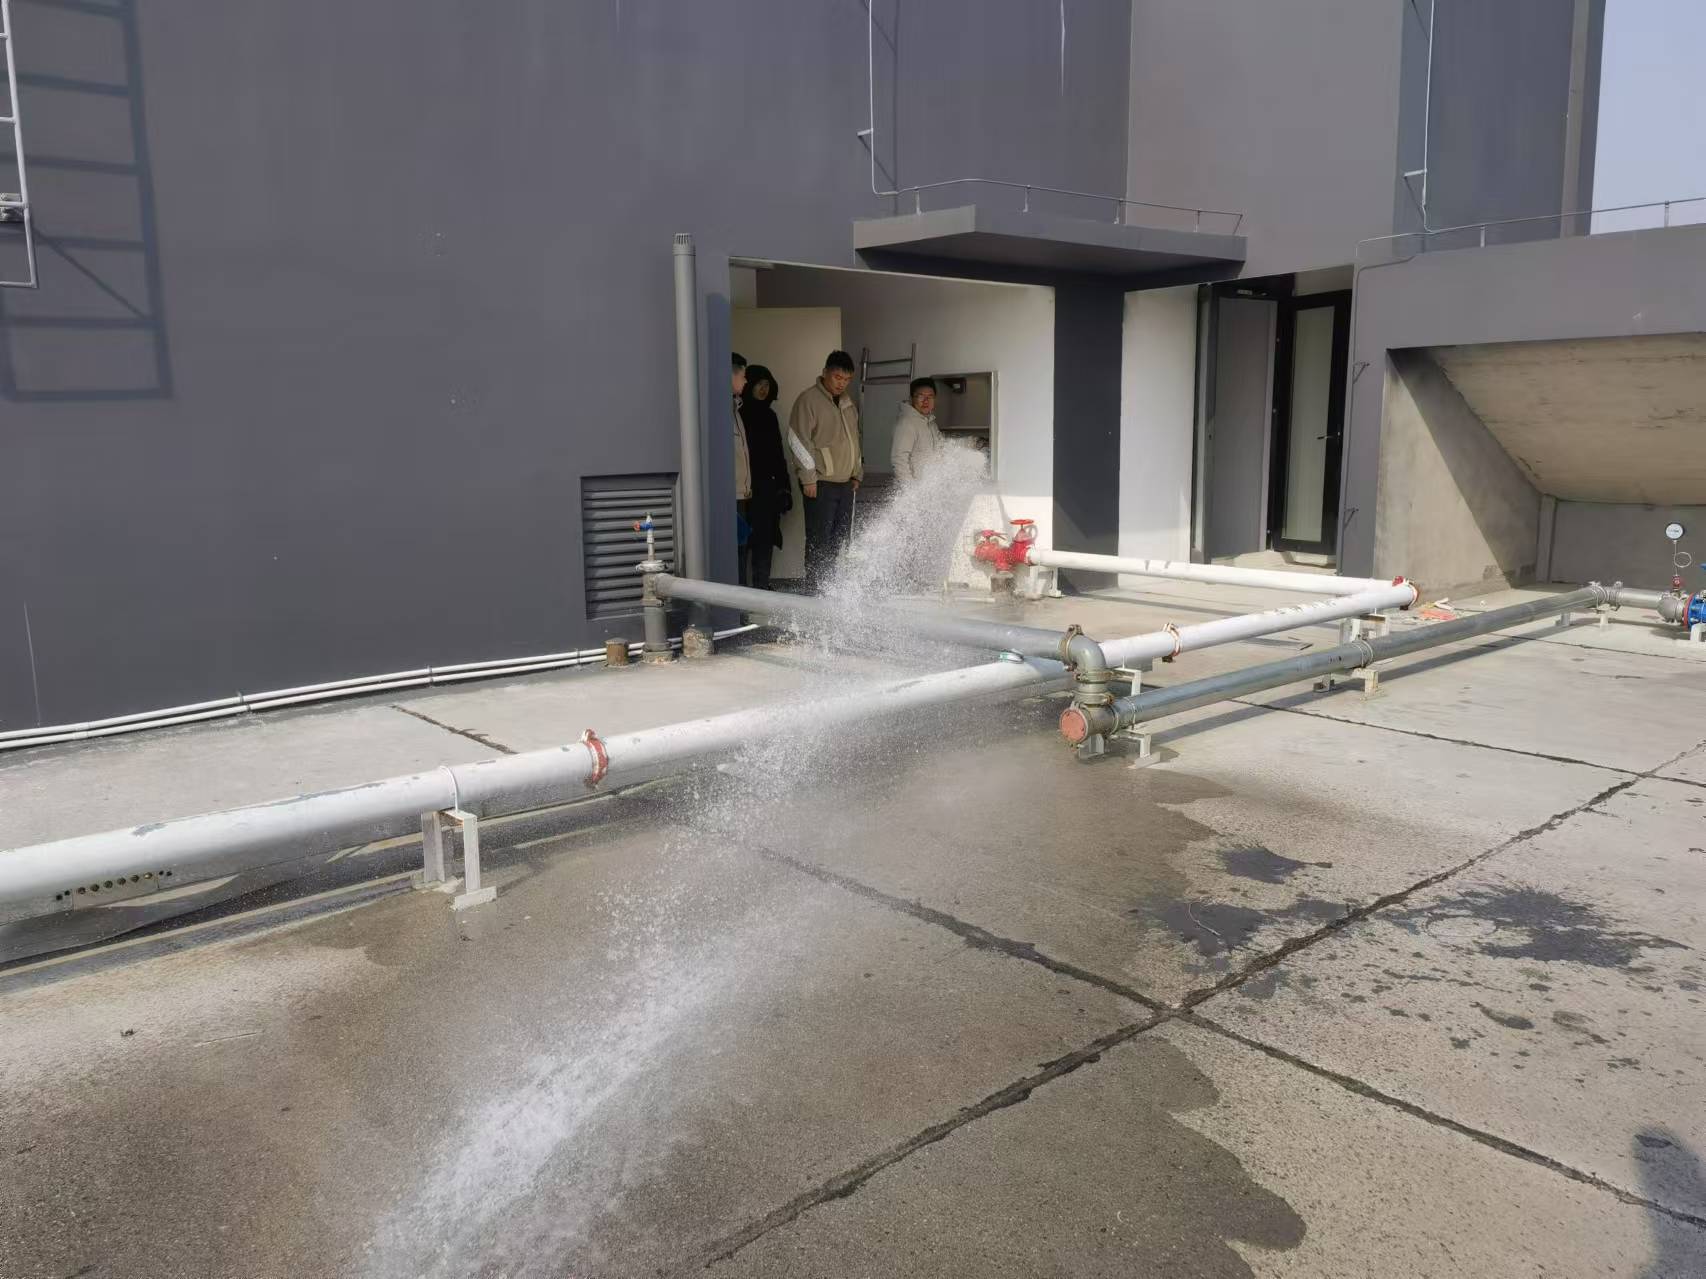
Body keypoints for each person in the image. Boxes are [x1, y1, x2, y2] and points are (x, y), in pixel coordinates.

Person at [786, 350, 862, 590]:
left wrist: (856, 472)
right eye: (838, 377)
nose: (842, 383)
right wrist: (808, 478)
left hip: (845, 483)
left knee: (840, 541)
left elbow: (854, 440)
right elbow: (798, 440)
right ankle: (815, 591)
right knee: (819, 541)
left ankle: (833, 592)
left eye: (847, 379)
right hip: (820, 483)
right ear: (825, 373)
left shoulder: (848, 403)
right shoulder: (808, 400)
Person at [738, 364, 790, 591]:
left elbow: (778, 455)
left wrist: (784, 487)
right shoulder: (738, 414)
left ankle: (762, 587)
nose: (763, 389)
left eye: (767, 385)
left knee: (765, 539)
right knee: (742, 541)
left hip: (767, 488)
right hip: (745, 488)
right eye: (759, 384)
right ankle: (740, 591)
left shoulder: (770, 416)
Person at [890, 377, 943, 480]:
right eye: (921, 396)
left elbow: (940, 449)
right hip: (917, 486)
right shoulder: (907, 423)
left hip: (931, 484)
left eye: (930, 397)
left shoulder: (931, 423)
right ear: (911, 398)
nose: (926, 401)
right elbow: (899, 459)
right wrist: (911, 488)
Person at [731, 352, 751, 576]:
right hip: (728, 496)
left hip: (740, 494)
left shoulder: (736, 409)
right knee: (735, 551)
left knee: (741, 548)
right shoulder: (721, 410)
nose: (746, 382)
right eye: (743, 376)